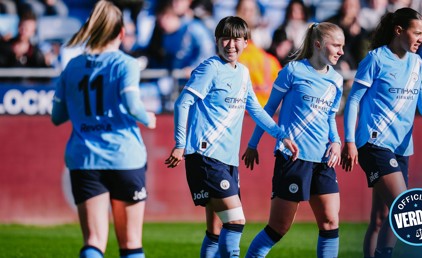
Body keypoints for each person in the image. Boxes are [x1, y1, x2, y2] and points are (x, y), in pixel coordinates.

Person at [164, 16, 299, 258]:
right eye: (225, 38)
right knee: (236, 221)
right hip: (205, 156)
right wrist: (179, 143)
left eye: (237, 39)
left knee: (215, 229)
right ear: (217, 40)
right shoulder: (210, 68)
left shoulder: (243, 73)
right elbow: (182, 102)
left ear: (246, 42)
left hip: (227, 161)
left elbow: (256, 110)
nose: (231, 44)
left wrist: (281, 135)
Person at [340, 8, 422, 258]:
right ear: (399, 31)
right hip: (374, 144)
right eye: (417, 33)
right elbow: (354, 100)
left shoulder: (417, 63)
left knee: (381, 218)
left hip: (401, 147)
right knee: (405, 209)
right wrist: (349, 141)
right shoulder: (375, 59)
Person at [51, 1, 157, 258]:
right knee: (131, 244)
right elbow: (133, 106)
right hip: (124, 157)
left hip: (85, 158)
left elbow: (57, 116)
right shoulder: (125, 64)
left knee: (94, 241)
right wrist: (148, 118)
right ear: (121, 32)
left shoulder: (72, 67)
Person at [242, 22, 345, 258]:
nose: (341, 51)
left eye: (343, 46)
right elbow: (268, 109)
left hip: (324, 159)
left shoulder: (336, 80)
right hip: (294, 158)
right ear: (318, 45)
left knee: (330, 222)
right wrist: (252, 144)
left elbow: (330, 117)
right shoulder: (293, 71)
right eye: (336, 45)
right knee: (279, 227)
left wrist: (336, 142)